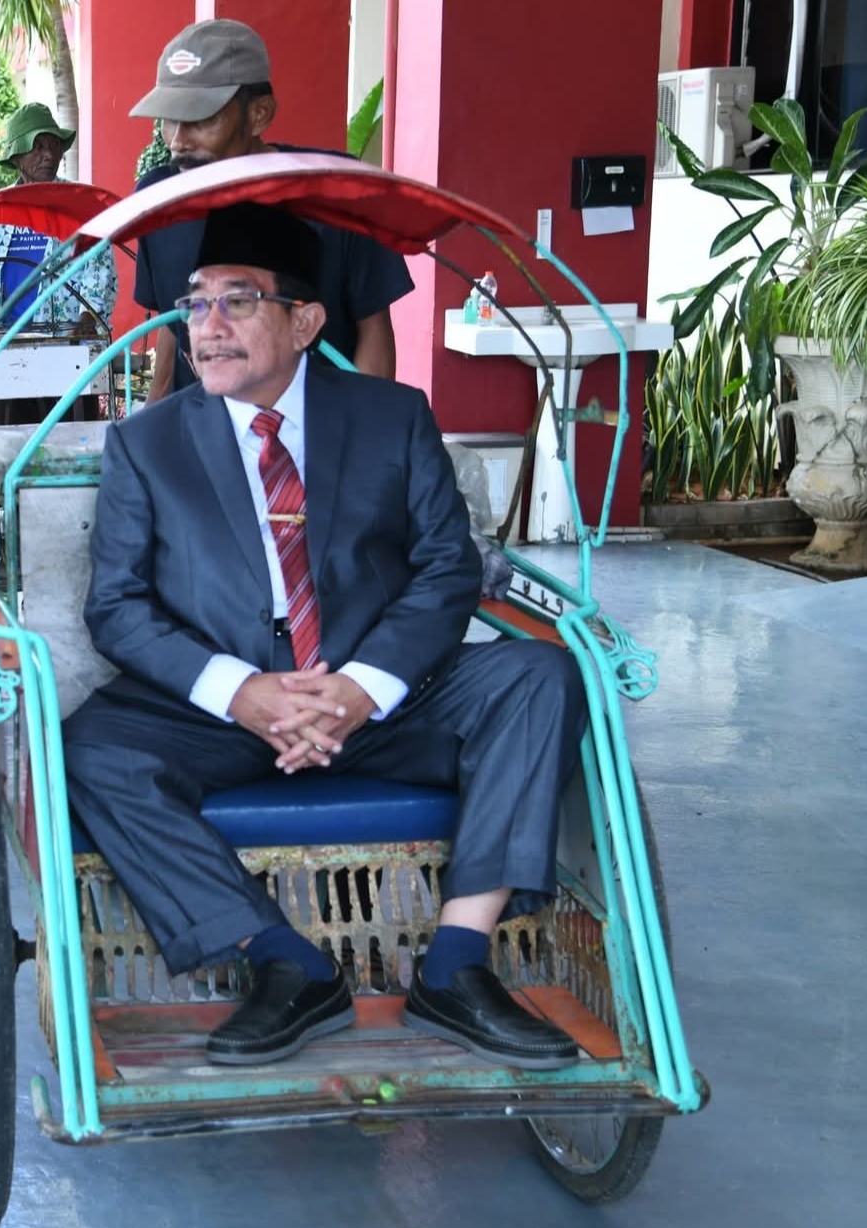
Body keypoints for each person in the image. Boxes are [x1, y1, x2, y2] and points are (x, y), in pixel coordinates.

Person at [61, 204, 586, 1071]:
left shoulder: (392, 417)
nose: (208, 327)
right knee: (88, 749)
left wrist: (360, 688)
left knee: (541, 677)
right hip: (224, 712)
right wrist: (241, 692)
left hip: (383, 700)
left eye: (238, 301)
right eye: (195, 303)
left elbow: (447, 570)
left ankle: (457, 964)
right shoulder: (148, 444)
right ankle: (284, 962)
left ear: (305, 321)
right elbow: (116, 608)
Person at [130, 20, 414, 399]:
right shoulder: (158, 199)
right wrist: (153, 419)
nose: (178, 141)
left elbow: (373, 331)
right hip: (203, 428)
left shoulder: (338, 191)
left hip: (317, 425)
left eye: (201, 119)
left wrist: (368, 428)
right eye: (169, 120)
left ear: (259, 114)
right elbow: (172, 327)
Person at [0, 102, 117, 424]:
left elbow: (100, 272)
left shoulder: (78, 206)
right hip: (9, 352)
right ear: (17, 156)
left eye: (53, 145)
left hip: (68, 351)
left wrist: (86, 320)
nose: (48, 155)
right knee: (13, 441)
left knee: (71, 442)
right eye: (37, 146)